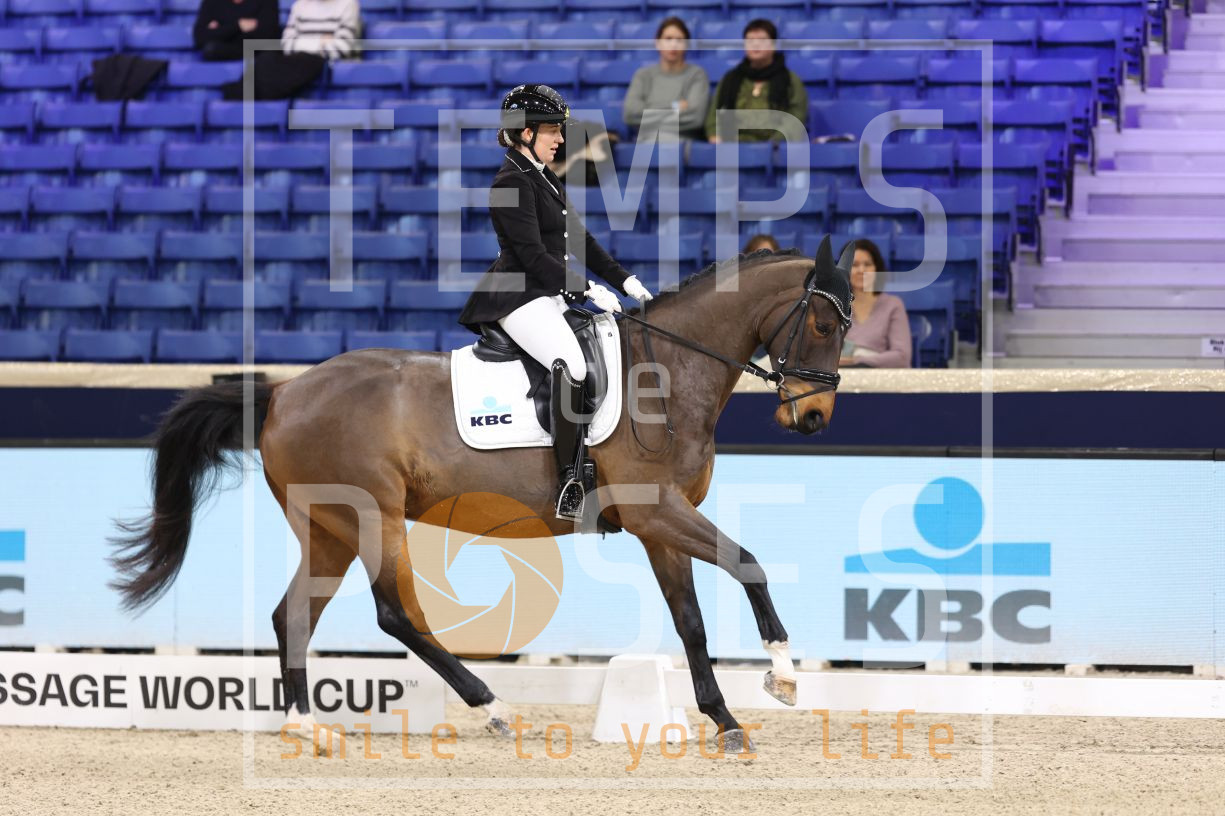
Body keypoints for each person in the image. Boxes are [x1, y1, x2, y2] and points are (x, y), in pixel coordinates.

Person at [457, 85, 654, 521]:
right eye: (552, 131)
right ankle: (571, 481)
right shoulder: (509, 182)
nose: (560, 139)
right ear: (525, 133)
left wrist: (624, 279)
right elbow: (531, 256)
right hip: (517, 296)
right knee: (574, 365)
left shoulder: (543, 175)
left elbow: (580, 239)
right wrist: (583, 289)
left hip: (545, 291)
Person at [221, 0, 360, 100]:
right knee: (266, 57)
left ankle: (248, 91)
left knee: (306, 61)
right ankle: (252, 91)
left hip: (322, 62)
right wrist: (320, 41)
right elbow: (286, 44)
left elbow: (342, 47)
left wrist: (301, 42)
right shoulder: (299, 5)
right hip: (297, 58)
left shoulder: (348, 4)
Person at [704, 19, 808, 144]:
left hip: (776, 148)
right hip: (732, 146)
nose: (755, 44)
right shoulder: (730, 79)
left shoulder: (790, 80)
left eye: (762, 40)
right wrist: (716, 137)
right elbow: (714, 116)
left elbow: (796, 117)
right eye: (750, 40)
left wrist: (772, 145)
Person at [623, 17, 709, 141]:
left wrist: (649, 109)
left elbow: (695, 118)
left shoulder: (696, 75)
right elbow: (630, 115)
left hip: (682, 144)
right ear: (658, 43)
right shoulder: (643, 75)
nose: (673, 44)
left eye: (679, 40)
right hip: (647, 143)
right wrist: (675, 105)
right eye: (668, 39)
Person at [840, 239, 912, 368]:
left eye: (867, 264)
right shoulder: (835, 305)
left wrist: (858, 360)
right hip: (841, 375)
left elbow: (902, 357)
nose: (861, 270)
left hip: (880, 375)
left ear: (877, 269)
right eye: (854, 265)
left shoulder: (893, 305)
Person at [192, 0, 280, 62]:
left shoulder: (267, 1)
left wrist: (220, 31)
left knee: (269, 54)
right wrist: (238, 26)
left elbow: (268, 37)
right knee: (211, 49)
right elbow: (199, 38)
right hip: (221, 51)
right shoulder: (212, 2)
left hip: (260, 56)